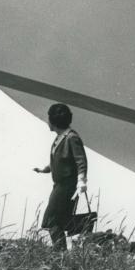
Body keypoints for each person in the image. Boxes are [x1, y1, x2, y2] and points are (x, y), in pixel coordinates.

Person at [33, 103, 88, 251]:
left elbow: (80, 160)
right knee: (58, 219)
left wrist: (82, 181)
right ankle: (64, 248)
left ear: (54, 121)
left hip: (67, 185)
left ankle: (60, 252)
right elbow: (61, 160)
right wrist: (45, 169)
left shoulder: (71, 137)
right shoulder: (60, 138)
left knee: (50, 220)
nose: (47, 122)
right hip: (59, 185)